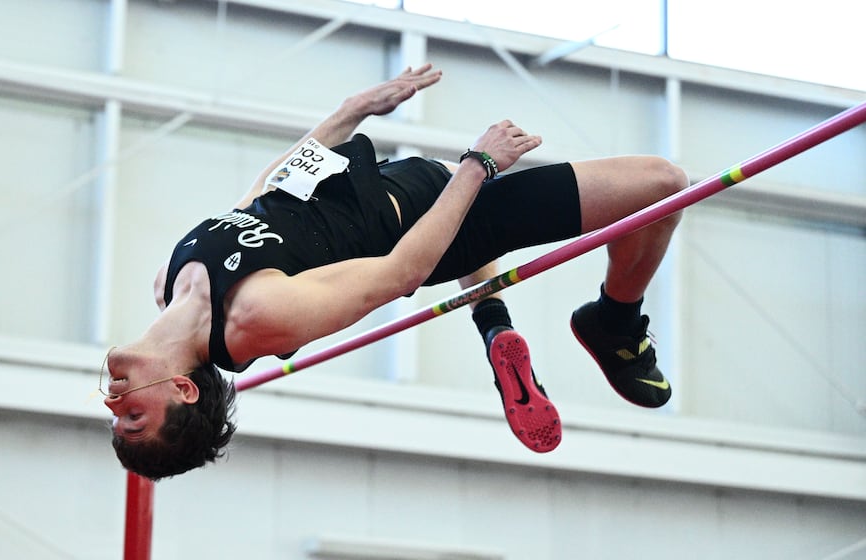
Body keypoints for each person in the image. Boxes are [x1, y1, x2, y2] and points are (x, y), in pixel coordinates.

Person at [100, 64, 689, 480]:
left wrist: (348, 113)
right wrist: (478, 165)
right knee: (661, 185)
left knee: (650, 192)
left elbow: (266, 196)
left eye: (118, 416)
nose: (114, 403)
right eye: (133, 416)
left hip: (400, 180)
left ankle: (492, 322)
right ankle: (614, 321)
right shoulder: (257, 319)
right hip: (449, 216)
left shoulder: (169, 281)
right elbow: (402, 271)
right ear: (181, 388)